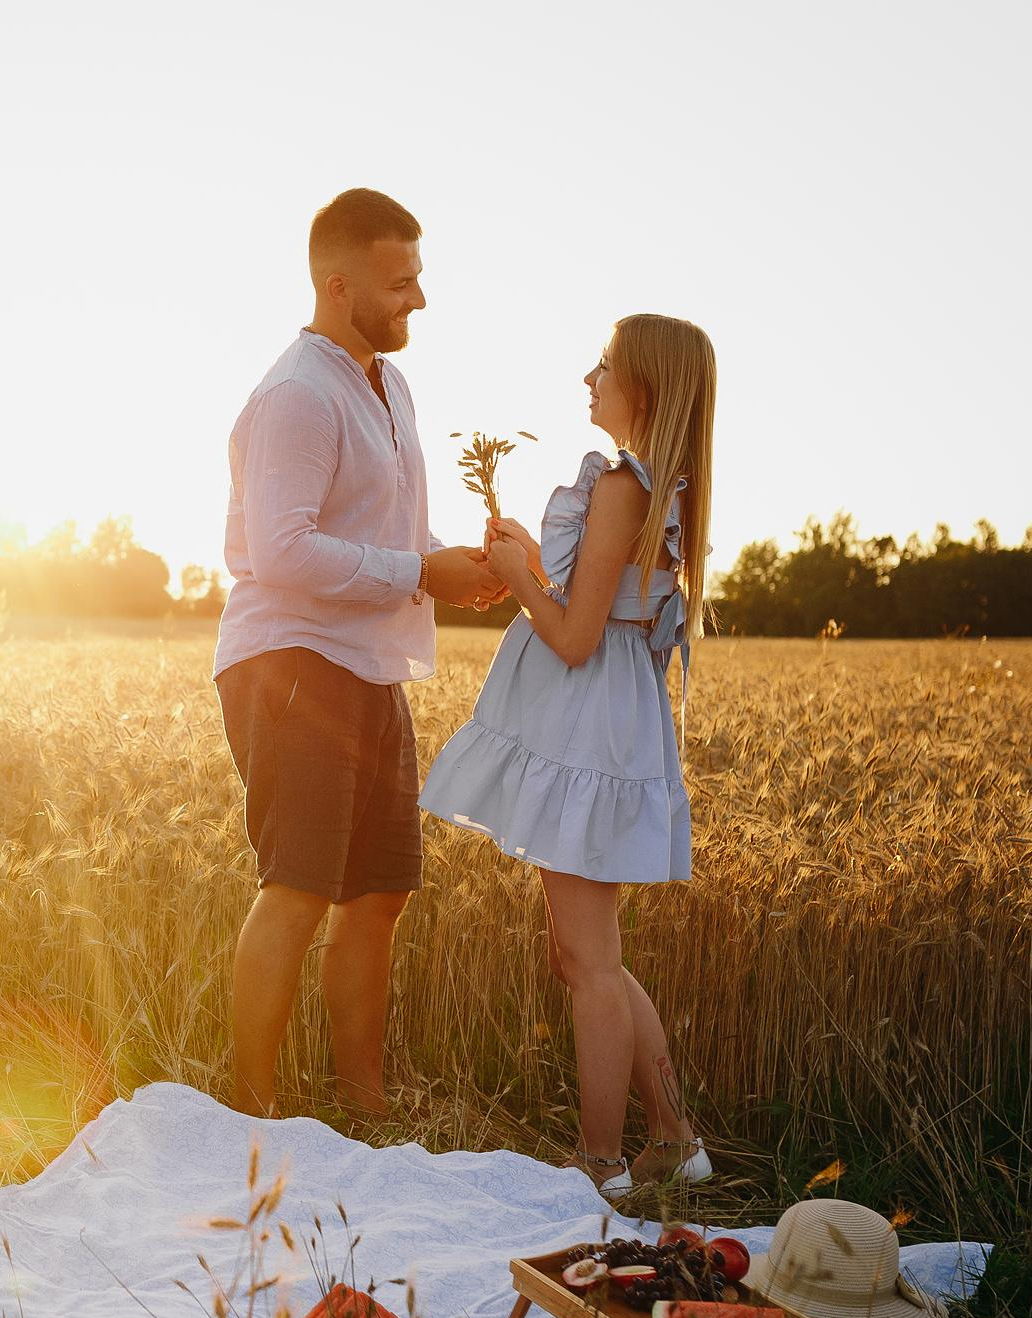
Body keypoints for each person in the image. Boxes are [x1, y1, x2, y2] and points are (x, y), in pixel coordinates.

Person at [214, 188, 508, 1120]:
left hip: (371, 665)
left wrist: (454, 566)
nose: (417, 298)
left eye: (418, 278)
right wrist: (421, 569)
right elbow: (282, 551)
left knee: (379, 892)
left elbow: (383, 536)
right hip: (294, 661)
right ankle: (249, 1115)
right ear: (338, 287)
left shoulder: (389, 383)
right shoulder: (297, 395)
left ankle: (363, 1112)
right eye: (400, 282)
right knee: (298, 888)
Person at [417, 314, 718, 1199]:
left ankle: (600, 1165)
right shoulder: (648, 482)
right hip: (601, 716)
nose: (588, 378)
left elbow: (576, 637)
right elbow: (599, 607)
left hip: (585, 717)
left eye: (605, 366)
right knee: (586, 951)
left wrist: (515, 579)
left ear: (644, 390)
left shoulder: (625, 485)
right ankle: (674, 1139)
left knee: (587, 958)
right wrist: (526, 563)